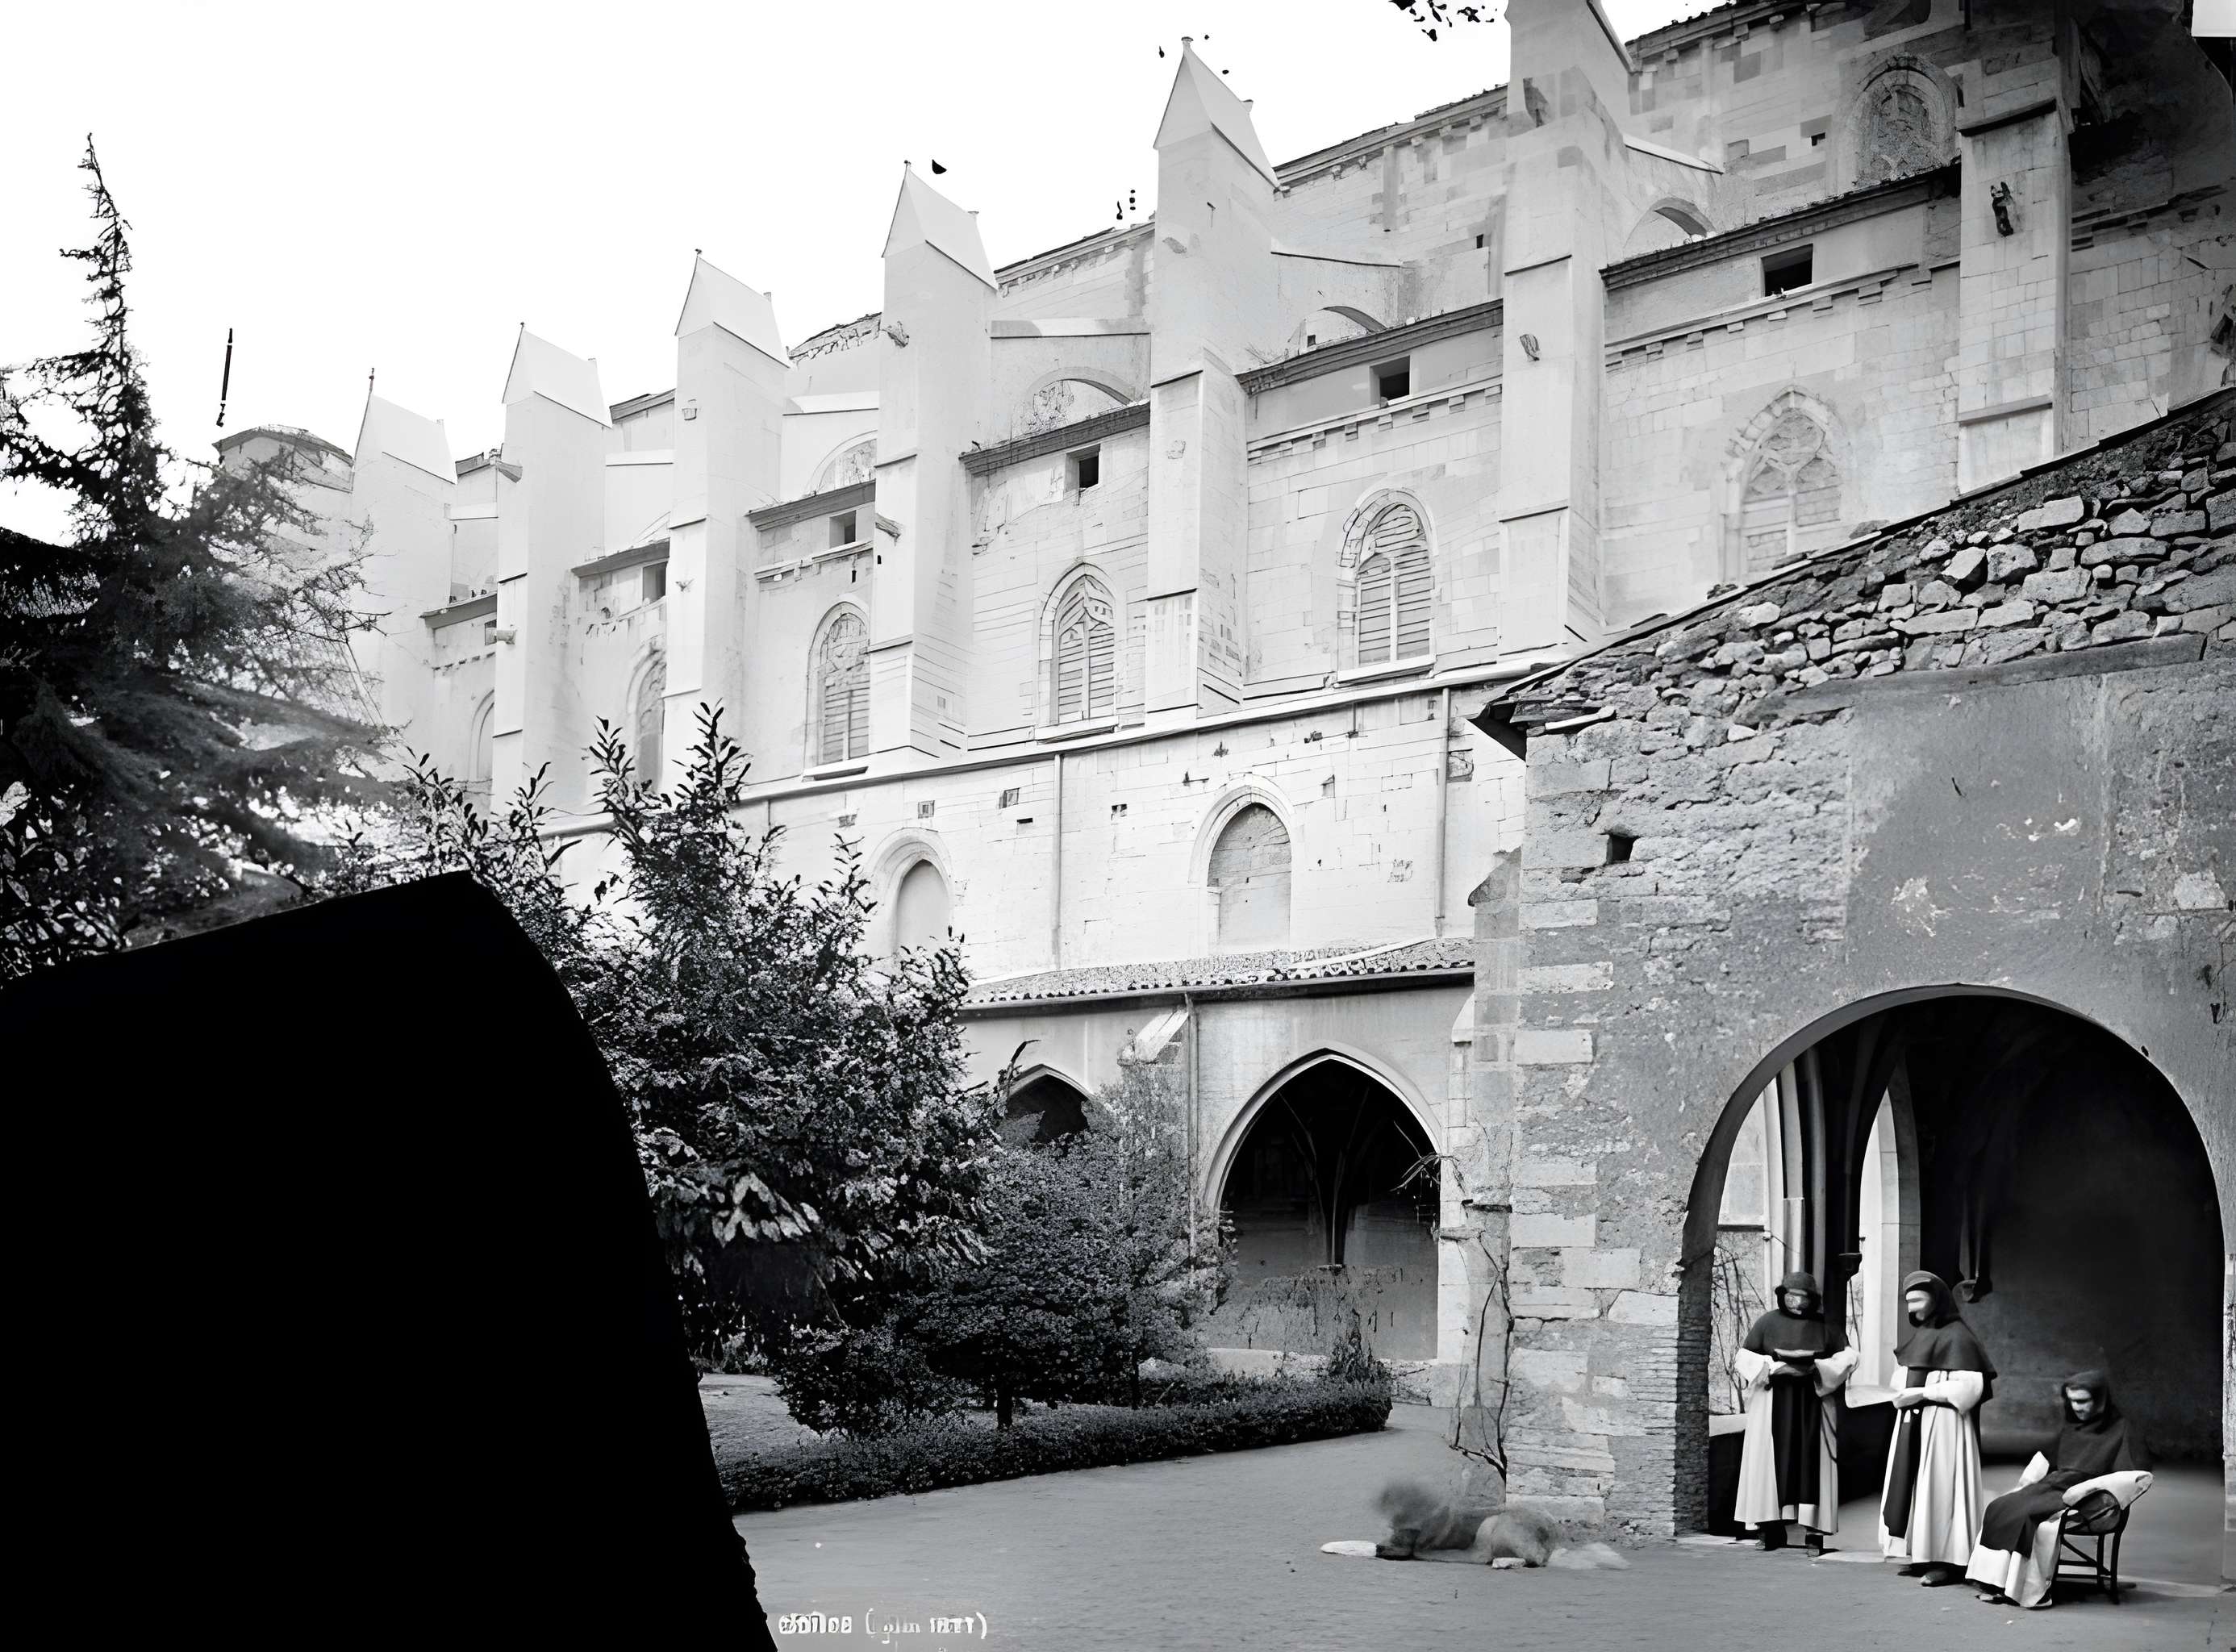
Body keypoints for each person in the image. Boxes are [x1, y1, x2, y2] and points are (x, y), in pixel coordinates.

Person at [1966, 1370, 2150, 1609]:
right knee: (2001, 1506)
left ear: (2100, 1400)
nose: (2077, 1407)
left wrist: (2087, 1489)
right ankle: (1998, 1582)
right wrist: (2025, 1482)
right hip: (2055, 1485)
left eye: (2083, 1401)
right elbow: (2048, 1457)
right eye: (2072, 1401)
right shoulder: (2072, 1426)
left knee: (2032, 1517)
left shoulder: (2122, 1429)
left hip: (2091, 1495)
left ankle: (2025, 1590)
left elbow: (2129, 1476)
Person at [1878, 1270, 1996, 1585]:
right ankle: (1921, 1554)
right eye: (1908, 1301)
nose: (1911, 1308)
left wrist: (1924, 1392)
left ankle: (1949, 1561)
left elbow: (1970, 1388)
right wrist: (1904, 1391)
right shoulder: (1920, 1336)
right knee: (1917, 1489)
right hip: (1912, 1422)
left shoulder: (1959, 1336)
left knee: (1943, 1489)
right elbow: (1900, 1375)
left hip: (1944, 1427)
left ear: (1936, 1299)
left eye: (1918, 1299)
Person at [1733, 1270, 1859, 1554]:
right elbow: (1744, 1356)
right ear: (1782, 1296)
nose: (1797, 1303)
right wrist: (1775, 1367)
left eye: (1803, 1298)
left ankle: (1814, 1534)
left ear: (1812, 1300)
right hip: (1773, 1400)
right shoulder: (1767, 1322)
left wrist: (1818, 1368)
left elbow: (1849, 1356)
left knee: (1812, 1465)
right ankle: (1770, 1530)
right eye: (1792, 1297)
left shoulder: (1826, 1325)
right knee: (1771, 1464)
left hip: (1812, 1400)